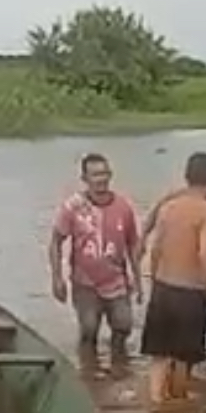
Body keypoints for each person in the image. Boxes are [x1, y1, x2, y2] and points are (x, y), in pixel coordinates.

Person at [139, 152, 206, 404]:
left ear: (186, 176)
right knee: (183, 358)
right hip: (190, 293)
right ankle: (177, 409)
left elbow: (156, 248)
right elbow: (204, 253)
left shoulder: (168, 208)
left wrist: (152, 281)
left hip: (162, 288)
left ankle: (156, 404)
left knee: (158, 355)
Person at [49, 153, 141, 377]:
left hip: (117, 281)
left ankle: (120, 371)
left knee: (123, 327)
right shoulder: (73, 207)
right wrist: (57, 278)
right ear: (85, 178)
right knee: (89, 330)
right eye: (95, 174)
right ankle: (89, 375)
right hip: (85, 283)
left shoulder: (123, 207)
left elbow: (133, 245)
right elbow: (55, 242)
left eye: (104, 173)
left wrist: (138, 280)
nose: (101, 179)